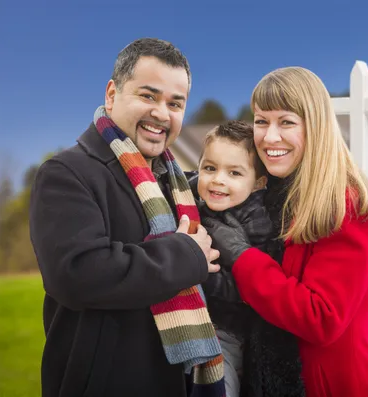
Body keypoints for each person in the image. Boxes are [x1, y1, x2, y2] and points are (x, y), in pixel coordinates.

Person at [28, 38, 225, 397]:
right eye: (148, 96)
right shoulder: (65, 173)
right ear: (112, 93)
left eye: (175, 103)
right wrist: (185, 255)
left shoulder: (178, 184)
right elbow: (77, 274)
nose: (162, 114)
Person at [201, 66, 368, 397]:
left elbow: (321, 317)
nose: (270, 137)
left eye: (286, 122)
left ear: (315, 125)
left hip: (326, 385)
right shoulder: (270, 191)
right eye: (261, 121)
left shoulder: (347, 205)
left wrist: (241, 255)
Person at [187, 120, 305, 397]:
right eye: (210, 168)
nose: (218, 179)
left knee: (217, 386)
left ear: (258, 183)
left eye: (234, 173)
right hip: (191, 320)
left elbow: (246, 288)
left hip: (226, 330)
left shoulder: (257, 222)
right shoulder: (192, 197)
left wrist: (197, 275)